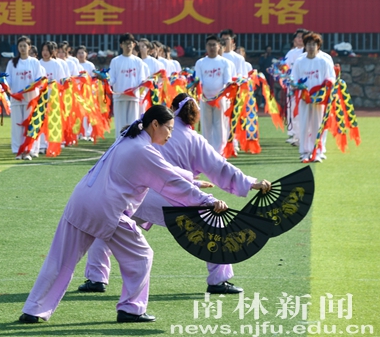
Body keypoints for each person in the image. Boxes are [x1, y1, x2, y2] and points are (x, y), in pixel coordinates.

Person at [19, 105, 226, 324]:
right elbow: (169, 181)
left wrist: (192, 181)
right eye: (169, 129)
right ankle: (131, 309)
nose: (171, 135)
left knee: (58, 260)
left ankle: (33, 310)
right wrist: (207, 200)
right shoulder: (143, 150)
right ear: (155, 125)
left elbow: (164, 170)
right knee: (141, 256)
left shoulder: (128, 139)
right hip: (106, 210)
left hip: (81, 200)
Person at [79, 94, 272, 296]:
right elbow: (219, 167)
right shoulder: (194, 138)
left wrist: (193, 182)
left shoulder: (147, 130)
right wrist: (250, 183)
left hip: (139, 194)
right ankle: (219, 280)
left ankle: (96, 277)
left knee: (110, 225)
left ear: (171, 108)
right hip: (173, 195)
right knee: (216, 225)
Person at [291, 33, 336, 162]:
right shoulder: (300, 61)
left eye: (314, 44)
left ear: (318, 46)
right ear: (305, 46)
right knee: (304, 123)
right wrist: (296, 85)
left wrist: (328, 84)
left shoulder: (324, 61)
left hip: (319, 99)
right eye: (309, 44)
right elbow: (293, 78)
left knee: (319, 124)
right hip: (305, 98)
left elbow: (331, 77)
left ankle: (318, 151)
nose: (311, 47)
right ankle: (305, 151)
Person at [195, 35, 235, 154]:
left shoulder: (224, 62)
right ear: (206, 47)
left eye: (214, 45)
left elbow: (227, 80)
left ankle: (220, 151)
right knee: (206, 125)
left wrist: (231, 86)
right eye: (209, 45)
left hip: (220, 98)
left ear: (219, 46)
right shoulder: (201, 62)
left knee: (220, 124)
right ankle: (207, 151)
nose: (212, 47)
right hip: (205, 98)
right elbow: (198, 80)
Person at [5, 37, 43, 161]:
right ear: (18, 48)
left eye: (24, 46)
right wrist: (2, 83)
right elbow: (8, 80)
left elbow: (39, 79)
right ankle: (18, 151)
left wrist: (29, 89)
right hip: (16, 99)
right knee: (17, 127)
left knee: (31, 126)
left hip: (31, 99)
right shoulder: (12, 63)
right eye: (20, 46)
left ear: (29, 47)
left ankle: (29, 150)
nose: (22, 48)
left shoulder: (35, 62)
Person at [108, 34, 148, 139]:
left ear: (134, 45)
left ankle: (132, 144)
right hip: (119, 97)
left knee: (133, 123)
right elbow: (112, 79)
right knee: (120, 124)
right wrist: (104, 80)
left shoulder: (138, 61)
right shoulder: (115, 61)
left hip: (133, 97)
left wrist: (147, 83)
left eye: (130, 43)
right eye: (125, 43)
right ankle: (119, 145)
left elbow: (141, 80)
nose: (128, 46)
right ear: (121, 45)